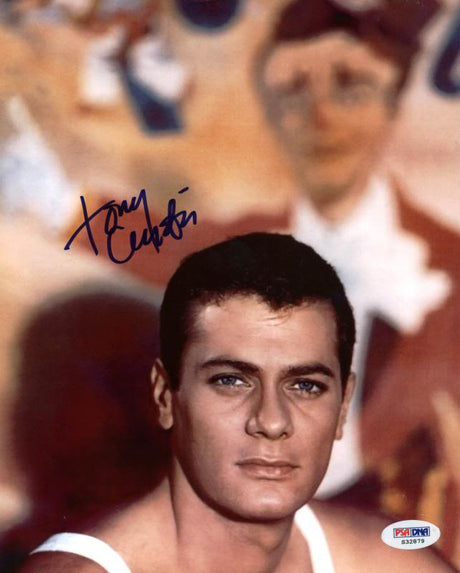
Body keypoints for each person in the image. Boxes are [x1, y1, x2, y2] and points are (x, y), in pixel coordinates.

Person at [19, 233, 453, 572]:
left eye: (305, 386)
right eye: (231, 381)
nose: (272, 421)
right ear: (165, 396)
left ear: (342, 408)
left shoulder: (389, 562)